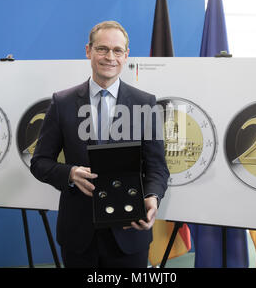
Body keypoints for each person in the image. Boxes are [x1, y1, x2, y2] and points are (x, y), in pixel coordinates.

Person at [30, 21, 169, 268]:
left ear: (126, 56)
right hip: (78, 235)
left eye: (117, 51)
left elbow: (158, 168)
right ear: (88, 51)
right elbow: (39, 162)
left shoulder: (145, 103)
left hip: (129, 233)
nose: (110, 57)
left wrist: (152, 197)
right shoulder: (62, 103)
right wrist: (70, 173)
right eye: (102, 49)